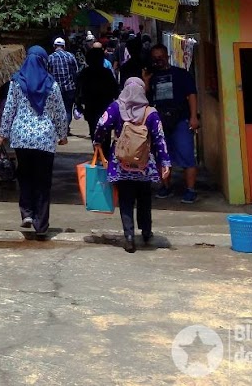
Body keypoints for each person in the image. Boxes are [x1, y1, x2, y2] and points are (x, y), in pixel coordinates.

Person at [0, 46, 69, 236]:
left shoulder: (16, 82)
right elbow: (60, 113)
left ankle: (27, 213)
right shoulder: (52, 85)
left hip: (21, 138)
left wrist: (3, 133)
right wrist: (62, 135)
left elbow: (9, 109)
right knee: (43, 181)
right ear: (44, 61)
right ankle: (41, 226)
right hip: (44, 139)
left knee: (25, 175)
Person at [94, 77, 171, 252]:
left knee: (126, 198)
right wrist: (164, 162)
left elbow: (102, 124)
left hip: (121, 162)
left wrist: (97, 142)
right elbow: (159, 138)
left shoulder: (116, 107)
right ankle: (146, 231)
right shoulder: (150, 113)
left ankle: (129, 236)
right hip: (144, 164)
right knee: (144, 197)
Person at [147, 43, 199, 202]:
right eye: (155, 58)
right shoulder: (151, 77)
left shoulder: (181, 74)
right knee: (162, 156)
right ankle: (166, 186)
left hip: (181, 120)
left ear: (167, 56)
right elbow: (145, 99)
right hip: (160, 122)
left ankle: (190, 189)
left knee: (187, 155)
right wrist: (146, 81)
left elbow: (191, 95)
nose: (158, 61)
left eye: (161, 57)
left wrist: (193, 117)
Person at [75, 45, 120, 138]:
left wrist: (78, 104)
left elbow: (78, 91)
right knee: (105, 132)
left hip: (92, 107)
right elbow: (115, 90)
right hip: (103, 106)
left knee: (94, 132)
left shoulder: (84, 73)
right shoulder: (106, 73)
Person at [46, 36, 79, 128]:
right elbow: (76, 72)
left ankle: (60, 128)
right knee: (68, 109)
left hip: (56, 89)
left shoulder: (50, 58)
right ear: (64, 46)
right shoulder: (70, 56)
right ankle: (65, 128)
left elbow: (47, 74)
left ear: (54, 46)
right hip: (70, 88)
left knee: (57, 110)